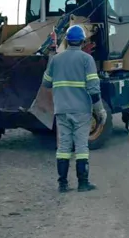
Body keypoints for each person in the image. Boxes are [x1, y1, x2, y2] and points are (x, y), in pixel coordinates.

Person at [41, 24, 106, 193]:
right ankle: (83, 183)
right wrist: (99, 110)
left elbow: (46, 83)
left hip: (61, 109)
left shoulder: (56, 59)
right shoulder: (86, 60)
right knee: (81, 146)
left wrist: (50, 58)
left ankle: (62, 184)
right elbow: (93, 87)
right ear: (83, 41)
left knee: (63, 147)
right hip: (81, 110)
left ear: (67, 41)